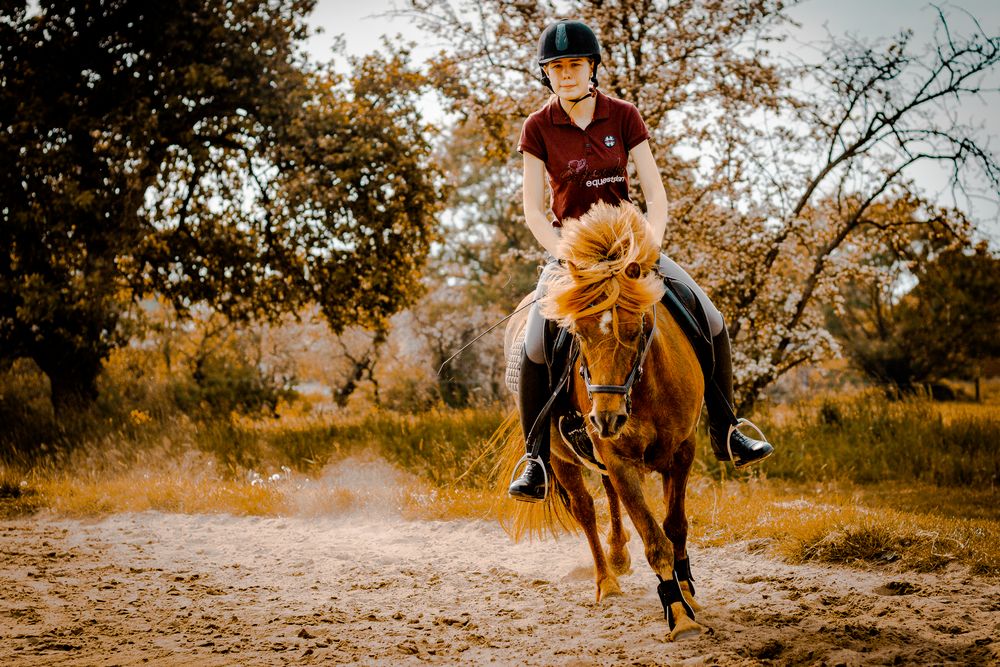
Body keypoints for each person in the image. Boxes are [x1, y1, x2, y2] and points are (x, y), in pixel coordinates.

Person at [508, 19, 774, 502]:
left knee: (708, 316)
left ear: (592, 67)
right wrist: (565, 254)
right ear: (547, 74)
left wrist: (647, 245)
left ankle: (727, 428)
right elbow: (531, 209)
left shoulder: (623, 115)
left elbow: (655, 192)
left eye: (574, 65)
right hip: (573, 254)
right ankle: (536, 460)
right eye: (557, 67)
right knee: (536, 342)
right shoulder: (538, 126)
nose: (566, 75)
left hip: (630, 247)